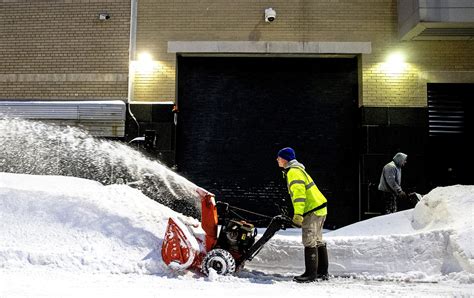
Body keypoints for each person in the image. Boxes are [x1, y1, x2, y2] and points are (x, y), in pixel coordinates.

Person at [276, 147, 329, 283]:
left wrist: (298, 215)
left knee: (309, 240)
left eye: (279, 157)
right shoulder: (297, 170)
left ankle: (310, 274)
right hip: (320, 207)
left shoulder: (293, 172)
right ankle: (322, 272)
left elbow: (299, 195)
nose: (277, 160)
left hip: (312, 210)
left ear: (285, 159)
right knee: (317, 240)